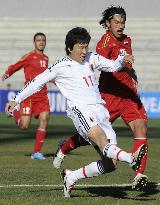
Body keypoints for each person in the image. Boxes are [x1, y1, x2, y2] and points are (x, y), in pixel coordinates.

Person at [5, 27, 147, 197]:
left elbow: (112, 66)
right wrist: (17, 99)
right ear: (70, 48)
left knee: (111, 165)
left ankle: (71, 176)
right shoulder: (60, 66)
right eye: (81, 47)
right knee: (101, 140)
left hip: (100, 111)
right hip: (80, 110)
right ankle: (131, 158)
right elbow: (37, 82)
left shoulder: (91, 58)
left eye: (86, 46)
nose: (84, 51)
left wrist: (122, 60)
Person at [53, 5, 149, 190]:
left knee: (141, 129)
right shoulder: (104, 44)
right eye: (116, 22)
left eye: (123, 22)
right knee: (91, 136)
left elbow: (124, 64)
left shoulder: (127, 40)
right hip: (108, 97)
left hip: (128, 96)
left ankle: (138, 175)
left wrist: (131, 73)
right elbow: (101, 65)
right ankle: (65, 147)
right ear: (107, 24)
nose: (120, 26)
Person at [2, 32, 50, 160]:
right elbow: (17, 65)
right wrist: (8, 72)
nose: (41, 42)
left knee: (45, 118)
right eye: (38, 40)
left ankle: (36, 152)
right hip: (29, 95)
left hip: (42, 95)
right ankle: (15, 112)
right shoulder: (29, 56)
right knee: (24, 126)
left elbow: (46, 74)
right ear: (34, 42)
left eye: (43, 40)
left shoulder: (46, 58)